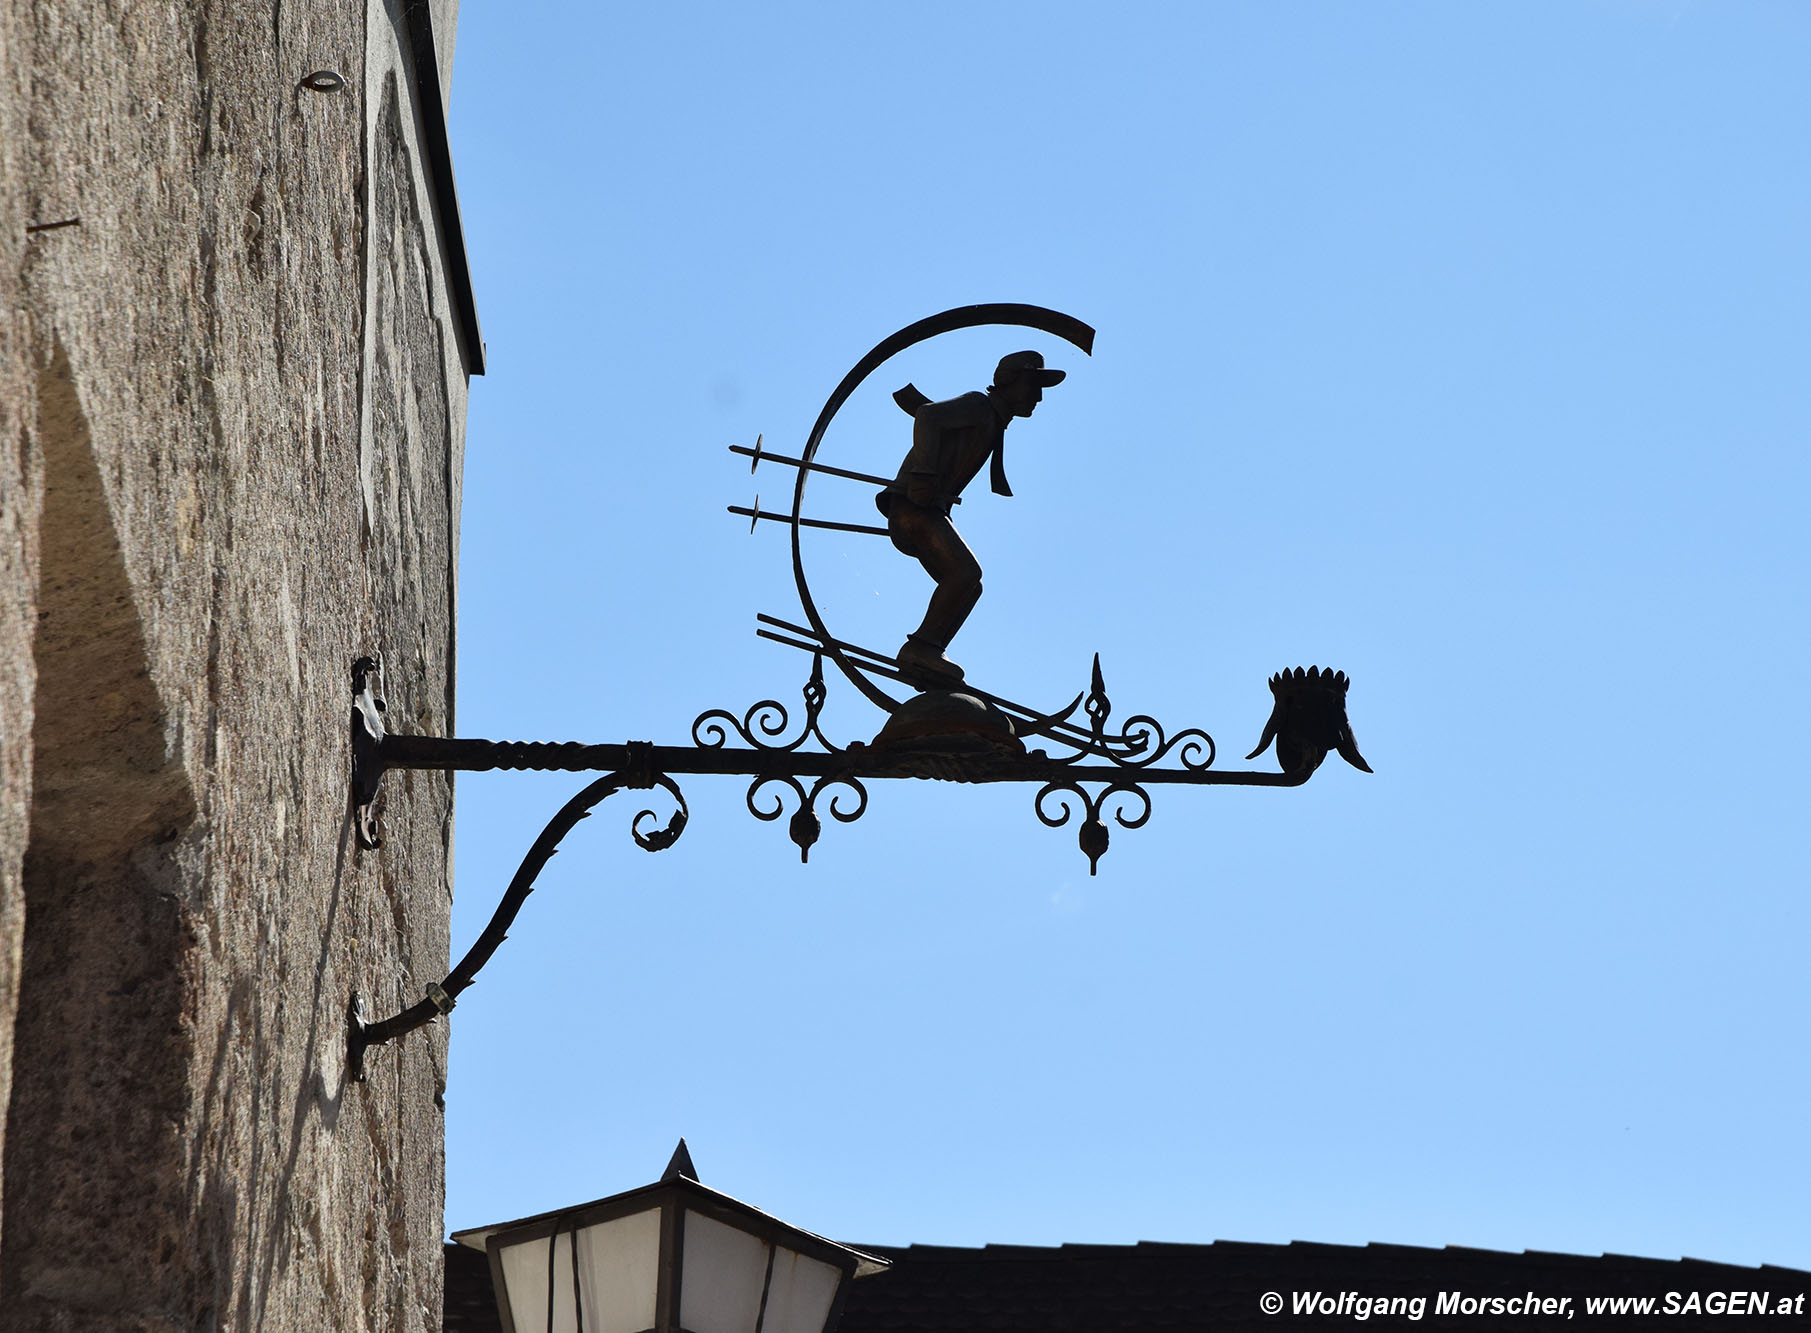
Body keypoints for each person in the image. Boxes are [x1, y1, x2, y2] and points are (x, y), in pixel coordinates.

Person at [874, 349, 1064, 685]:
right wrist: (924, 474)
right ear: (1011, 381)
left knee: (969, 585)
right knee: (965, 573)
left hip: (923, 511)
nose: (1038, 396)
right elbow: (928, 416)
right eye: (1034, 385)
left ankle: (928, 651)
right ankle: (921, 648)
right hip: (912, 508)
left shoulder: (992, 420)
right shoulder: (979, 406)